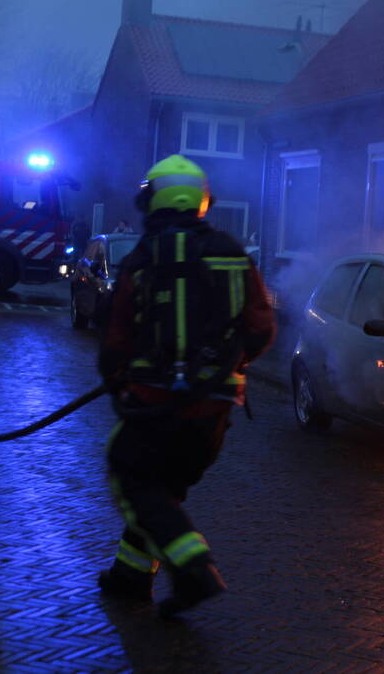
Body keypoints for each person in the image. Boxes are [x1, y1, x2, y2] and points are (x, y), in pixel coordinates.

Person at [97, 154, 275, 617]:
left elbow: (115, 335)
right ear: (201, 201)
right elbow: (260, 328)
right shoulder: (233, 255)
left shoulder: (141, 260)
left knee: (130, 476)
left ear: (152, 199)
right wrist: (224, 368)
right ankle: (130, 578)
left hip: (152, 404)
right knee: (164, 491)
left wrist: (117, 380)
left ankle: (195, 570)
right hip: (213, 413)